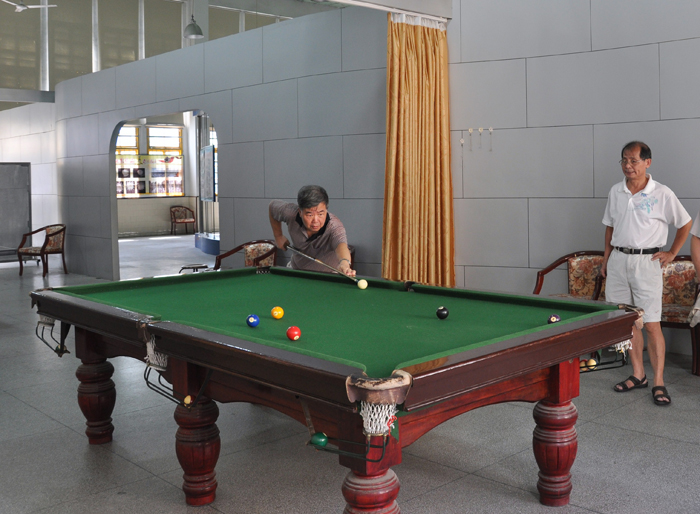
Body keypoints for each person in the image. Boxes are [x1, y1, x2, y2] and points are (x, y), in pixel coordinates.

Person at [601, 141, 692, 406]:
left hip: (647, 262)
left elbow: (685, 223)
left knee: (651, 323)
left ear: (647, 162)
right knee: (626, 321)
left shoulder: (661, 193)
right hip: (618, 260)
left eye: (634, 161)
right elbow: (609, 227)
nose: (628, 165)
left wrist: (672, 252)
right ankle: (638, 374)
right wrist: (606, 259)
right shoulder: (616, 191)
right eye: (624, 160)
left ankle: (659, 381)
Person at [269, 185, 356, 277]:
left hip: (327, 275)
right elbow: (272, 207)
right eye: (310, 215)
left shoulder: (334, 226)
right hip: (296, 271)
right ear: (300, 212)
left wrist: (344, 263)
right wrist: (278, 236)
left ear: (326, 210)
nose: (315, 220)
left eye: (320, 214)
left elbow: (341, 245)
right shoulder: (291, 213)